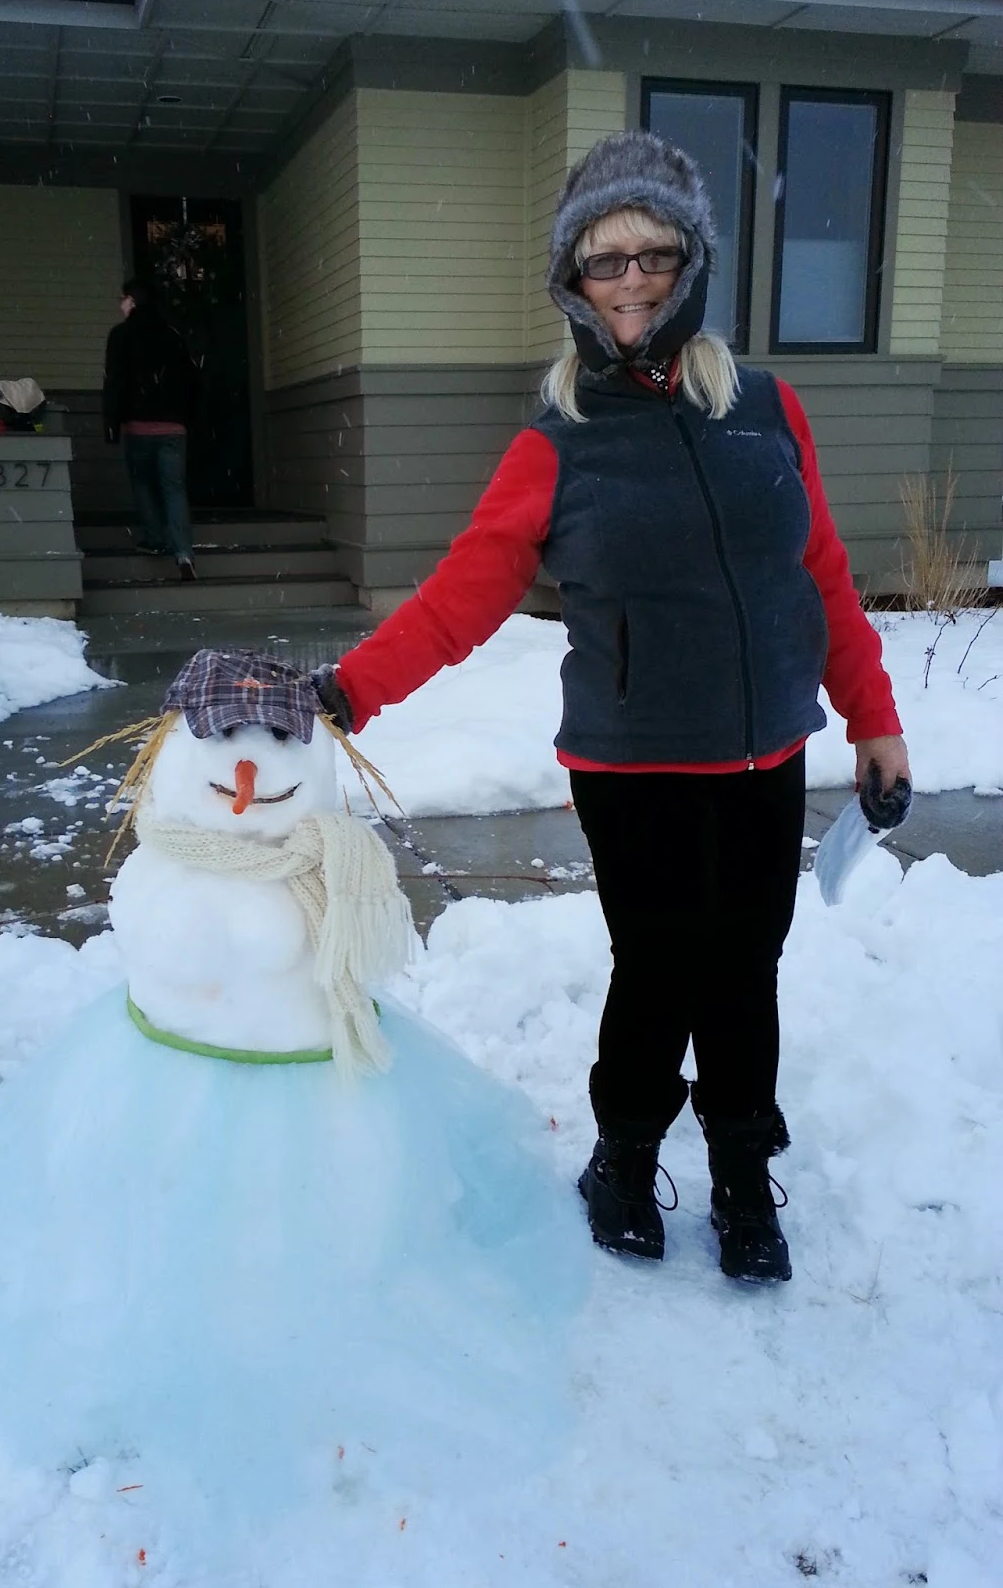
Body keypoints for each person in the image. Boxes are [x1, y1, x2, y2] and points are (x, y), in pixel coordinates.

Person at [310, 130, 910, 1285]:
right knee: (660, 968)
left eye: (653, 252)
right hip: (635, 767)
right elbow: (462, 596)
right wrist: (348, 691)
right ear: (573, 280)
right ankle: (626, 1158)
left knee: (746, 969)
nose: (631, 279)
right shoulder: (559, 443)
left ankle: (742, 1171)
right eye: (604, 259)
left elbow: (821, 574)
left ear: (692, 263)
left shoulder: (769, 410)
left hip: (767, 754)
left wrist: (873, 718)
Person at [103, 277, 200, 582]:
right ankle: (184, 553)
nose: (120, 305)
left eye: (122, 299)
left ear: (132, 301)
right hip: (173, 427)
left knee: (143, 483)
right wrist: (186, 417)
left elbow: (114, 381)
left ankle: (156, 538)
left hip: (139, 426)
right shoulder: (172, 334)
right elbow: (191, 380)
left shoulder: (121, 336)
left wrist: (111, 423)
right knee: (174, 489)